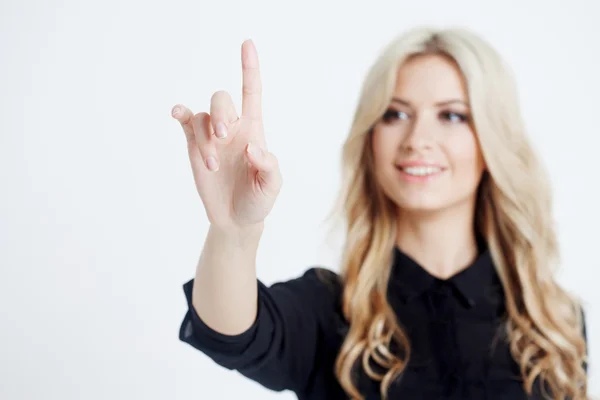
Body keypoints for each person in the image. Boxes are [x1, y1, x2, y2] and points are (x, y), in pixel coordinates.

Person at [171, 27, 588, 400]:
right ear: (371, 141)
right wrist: (234, 231)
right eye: (395, 114)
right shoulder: (329, 310)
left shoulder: (552, 323)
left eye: (452, 115)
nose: (417, 139)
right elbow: (231, 333)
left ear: (491, 142)